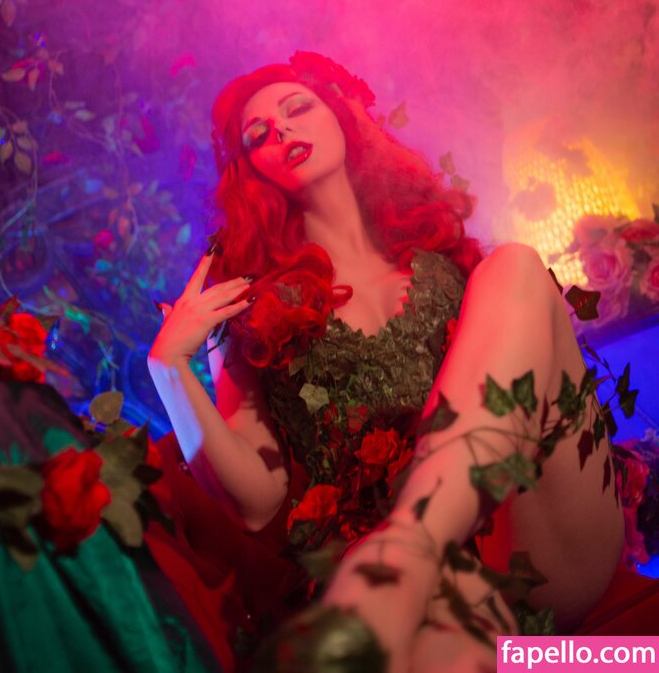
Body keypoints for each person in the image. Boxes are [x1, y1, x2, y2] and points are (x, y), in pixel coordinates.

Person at [148, 52, 624, 672]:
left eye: (298, 107)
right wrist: (169, 369)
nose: (282, 129)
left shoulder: (440, 252)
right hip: (435, 601)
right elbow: (256, 504)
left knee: (513, 264)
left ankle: (408, 547)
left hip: (530, 533)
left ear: (342, 117)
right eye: (258, 135)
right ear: (252, 171)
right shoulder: (250, 312)